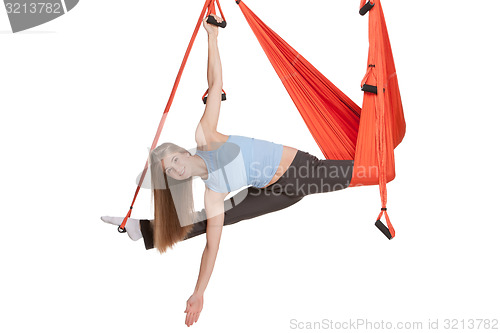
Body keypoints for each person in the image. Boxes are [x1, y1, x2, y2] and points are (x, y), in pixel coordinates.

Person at [101, 15, 354, 327]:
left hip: (299, 170)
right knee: (217, 220)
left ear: (182, 151)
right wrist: (199, 292)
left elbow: (215, 84)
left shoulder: (206, 137)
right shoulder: (213, 192)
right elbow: (212, 247)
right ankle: (145, 229)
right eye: (171, 172)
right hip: (277, 193)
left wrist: (212, 37)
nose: (178, 170)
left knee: (361, 173)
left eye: (176, 161)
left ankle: (146, 230)